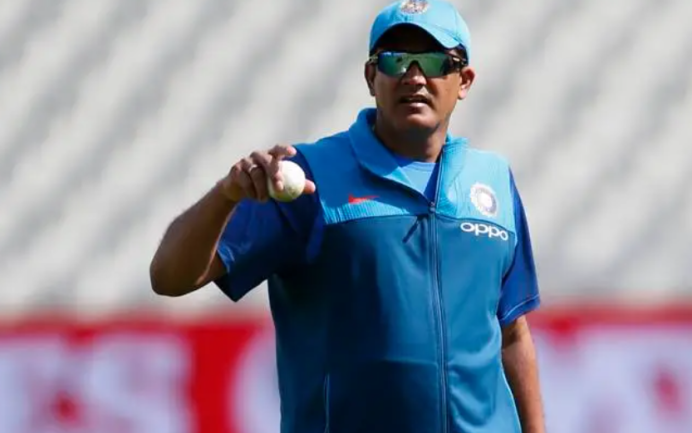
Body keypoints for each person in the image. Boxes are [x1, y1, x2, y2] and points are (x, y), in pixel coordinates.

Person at [149, 0, 545, 432]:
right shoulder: (310, 177)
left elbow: (512, 334)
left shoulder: (493, 180)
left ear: (463, 80)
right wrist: (225, 196)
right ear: (371, 77)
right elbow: (170, 277)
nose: (413, 76)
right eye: (394, 61)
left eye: (433, 61)